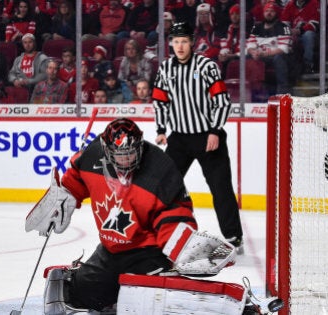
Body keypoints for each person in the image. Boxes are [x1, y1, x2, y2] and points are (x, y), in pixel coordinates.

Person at [26, 118, 236, 313]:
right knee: (79, 292)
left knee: (144, 302)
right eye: (120, 155)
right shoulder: (91, 156)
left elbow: (173, 213)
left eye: (131, 154)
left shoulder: (161, 168)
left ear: (140, 146)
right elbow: (76, 178)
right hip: (110, 251)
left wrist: (181, 245)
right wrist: (64, 196)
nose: (126, 160)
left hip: (149, 254)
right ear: (106, 150)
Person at [152, 22, 244, 253]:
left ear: (192, 42)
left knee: (220, 187)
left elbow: (221, 100)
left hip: (208, 137)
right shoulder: (165, 68)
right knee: (164, 185)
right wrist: (161, 129)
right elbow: (161, 100)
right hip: (179, 138)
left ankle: (234, 237)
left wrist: (214, 130)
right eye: (176, 41)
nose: (180, 46)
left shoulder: (206, 66)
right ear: (171, 43)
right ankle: (159, 231)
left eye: (184, 41)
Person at [246, 2, 292, 94]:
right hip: (260, 55)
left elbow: (283, 49)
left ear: (276, 13)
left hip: (276, 55)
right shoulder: (257, 27)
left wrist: (264, 54)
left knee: (278, 59)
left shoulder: (284, 27)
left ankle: (282, 93)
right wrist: (253, 52)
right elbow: (250, 45)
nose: (269, 13)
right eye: (267, 11)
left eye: (272, 11)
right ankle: (250, 92)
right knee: (246, 58)